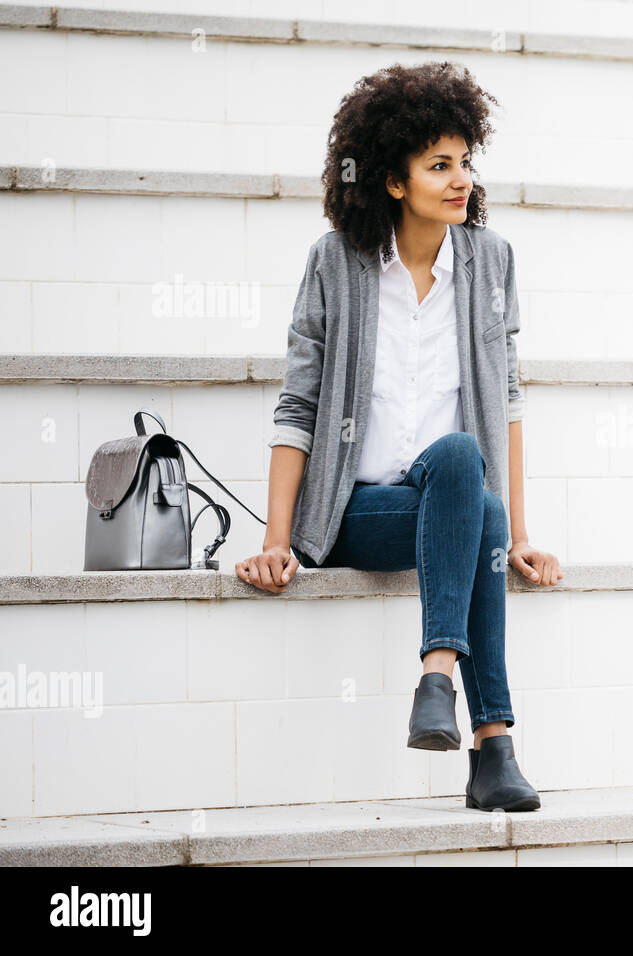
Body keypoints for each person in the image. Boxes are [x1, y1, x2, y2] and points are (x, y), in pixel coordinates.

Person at [235, 62, 561, 813]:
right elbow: (298, 404)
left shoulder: (492, 264)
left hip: (454, 497)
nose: (461, 181)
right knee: (474, 501)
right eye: (439, 165)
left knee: (463, 470)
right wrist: (278, 537)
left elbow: (506, 400)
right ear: (392, 179)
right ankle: (494, 745)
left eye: (466, 162)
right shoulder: (334, 265)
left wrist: (519, 532)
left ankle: (438, 682)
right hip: (360, 512)